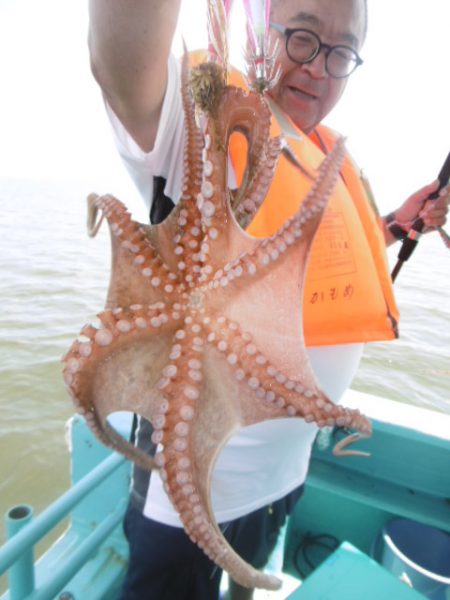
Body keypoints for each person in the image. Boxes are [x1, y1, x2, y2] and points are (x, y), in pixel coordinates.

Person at [87, 1, 449, 599]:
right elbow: (121, 66)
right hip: (190, 494)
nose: (317, 68)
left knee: (246, 582)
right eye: (303, 36)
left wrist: (393, 225)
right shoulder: (200, 127)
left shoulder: (332, 160)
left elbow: (301, 267)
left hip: (283, 475)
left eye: (341, 52)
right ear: (260, 31)